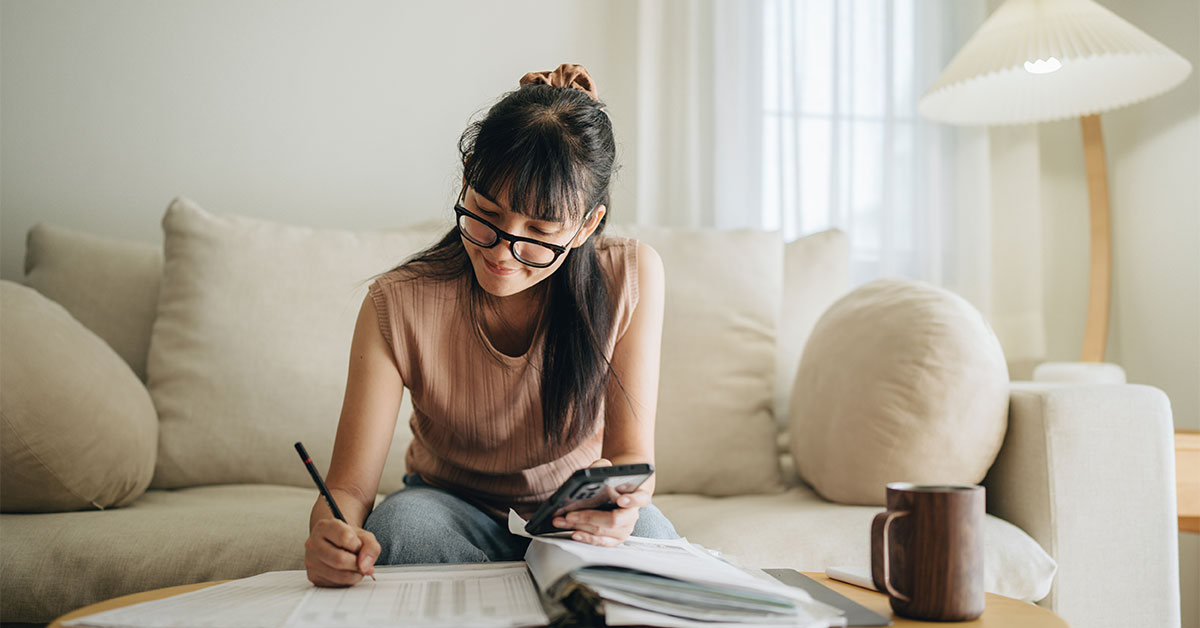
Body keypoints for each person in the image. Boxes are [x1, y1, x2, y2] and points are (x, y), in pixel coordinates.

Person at [304, 63, 679, 587]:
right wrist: (330, 530)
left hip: (572, 513)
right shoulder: (397, 301)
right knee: (401, 529)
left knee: (656, 548)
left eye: (539, 231)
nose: (504, 252)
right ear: (465, 179)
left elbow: (631, 457)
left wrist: (623, 505)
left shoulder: (630, 275)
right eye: (485, 213)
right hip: (446, 505)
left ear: (586, 226)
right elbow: (348, 489)